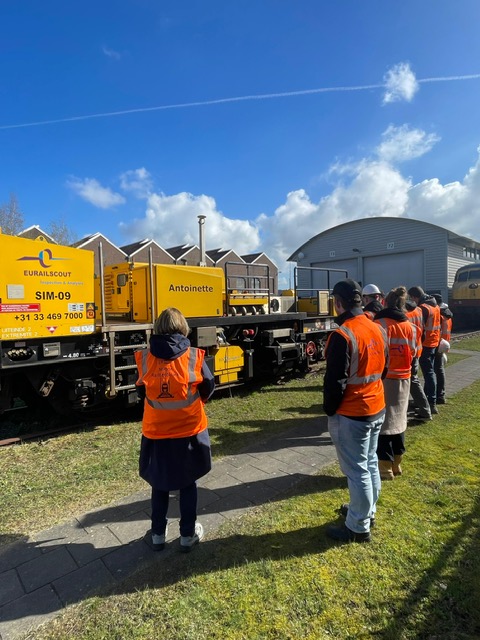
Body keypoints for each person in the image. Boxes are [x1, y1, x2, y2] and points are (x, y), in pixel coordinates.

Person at [135, 307, 215, 552]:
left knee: (159, 482)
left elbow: (142, 391)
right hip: (189, 430)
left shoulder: (146, 358)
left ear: (158, 327)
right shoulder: (193, 356)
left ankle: (157, 534)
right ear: (183, 327)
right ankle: (187, 535)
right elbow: (208, 385)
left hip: (156, 431)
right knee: (188, 482)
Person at [323, 278, 388, 543]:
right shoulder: (377, 328)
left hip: (353, 413)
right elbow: (384, 369)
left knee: (357, 470)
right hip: (376, 406)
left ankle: (358, 526)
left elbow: (335, 382)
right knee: (370, 462)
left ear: (338, 303)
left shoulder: (342, 335)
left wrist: (330, 410)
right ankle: (366, 512)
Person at [374, 287, 417, 480]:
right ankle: (397, 464)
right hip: (404, 378)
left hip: (384, 379)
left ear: (384, 302)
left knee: (384, 424)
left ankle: (384, 468)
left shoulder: (380, 324)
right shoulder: (410, 326)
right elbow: (414, 352)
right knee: (399, 422)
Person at [407, 286, 441, 415]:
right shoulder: (434, 305)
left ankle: (431, 403)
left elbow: (421, 327)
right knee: (430, 372)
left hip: (426, 344)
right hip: (434, 342)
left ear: (415, 297)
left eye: (411, 298)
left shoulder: (423, 308)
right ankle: (427, 400)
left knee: (429, 373)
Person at [405, 299, 432, 421]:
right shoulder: (419, 310)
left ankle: (425, 411)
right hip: (417, 348)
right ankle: (423, 408)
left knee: (413, 380)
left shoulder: (405, 314)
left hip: (410, 351)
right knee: (413, 380)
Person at [433, 294, 453, 404]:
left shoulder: (439, 314)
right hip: (444, 343)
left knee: (434, 371)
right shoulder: (447, 313)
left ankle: (437, 394)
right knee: (439, 370)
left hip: (438, 343)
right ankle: (440, 394)